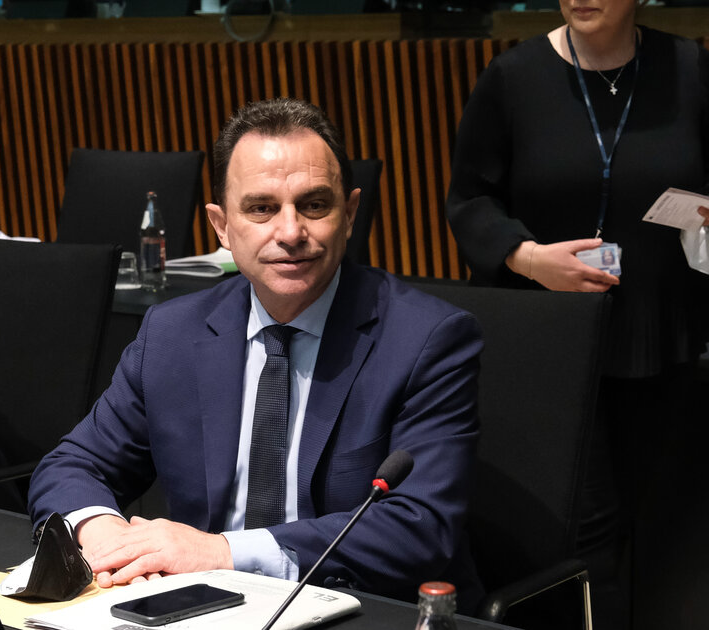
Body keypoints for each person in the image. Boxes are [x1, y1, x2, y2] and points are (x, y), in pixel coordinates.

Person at [28, 98, 484, 610]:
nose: (290, 233)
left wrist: (219, 552)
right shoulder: (172, 333)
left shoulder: (427, 340)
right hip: (200, 609)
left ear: (350, 214)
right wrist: (106, 535)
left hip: (357, 607)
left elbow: (420, 525)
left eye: (314, 205)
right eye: (261, 208)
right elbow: (73, 465)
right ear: (222, 226)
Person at [446, 1, 709, 626]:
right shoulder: (514, 77)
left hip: (664, 337)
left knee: (668, 527)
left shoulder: (690, 69)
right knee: (585, 531)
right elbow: (469, 199)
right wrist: (529, 257)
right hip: (552, 344)